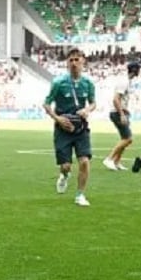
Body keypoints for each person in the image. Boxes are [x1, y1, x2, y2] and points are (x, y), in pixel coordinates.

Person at [43, 48, 96, 207]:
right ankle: (64, 176)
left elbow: (93, 103)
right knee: (66, 166)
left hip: (81, 128)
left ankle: (80, 195)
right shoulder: (59, 83)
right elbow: (46, 104)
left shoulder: (88, 83)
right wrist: (57, 118)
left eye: (77, 60)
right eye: (71, 60)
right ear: (67, 63)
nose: (74, 63)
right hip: (63, 129)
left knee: (85, 161)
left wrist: (87, 110)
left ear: (83, 61)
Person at [104, 61, 141, 171]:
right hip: (117, 113)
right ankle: (109, 159)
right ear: (134, 70)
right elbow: (116, 99)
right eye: (138, 69)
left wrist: (125, 110)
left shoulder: (127, 82)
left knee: (124, 138)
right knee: (128, 139)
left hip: (120, 112)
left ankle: (116, 162)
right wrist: (121, 114)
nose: (140, 71)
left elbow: (120, 100)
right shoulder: (124, 82)